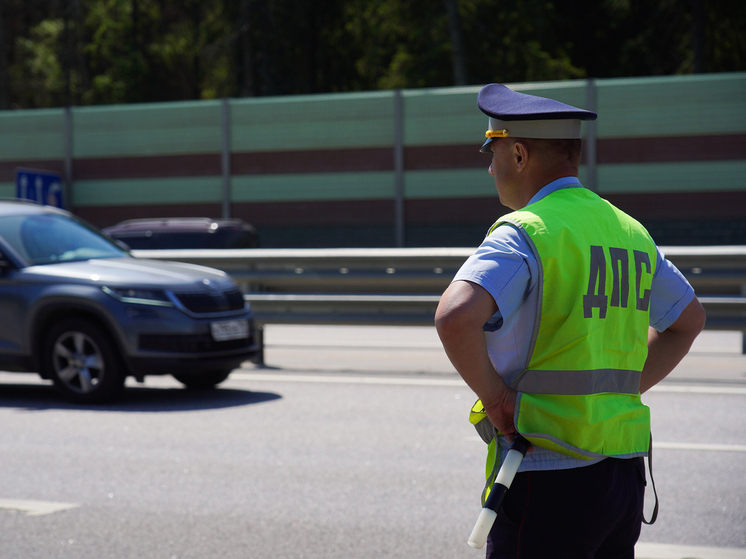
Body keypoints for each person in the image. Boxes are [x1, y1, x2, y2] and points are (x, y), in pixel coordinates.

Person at [434, 83, 706, 558]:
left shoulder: (527, 231)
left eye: (492, 151)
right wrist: (620, 389)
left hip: (546, 471)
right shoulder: (629, 231)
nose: (489, 165)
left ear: (518, 154)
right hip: (622, 475)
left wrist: (496, 399)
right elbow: (688, 321)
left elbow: (455, 316)